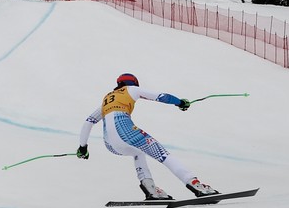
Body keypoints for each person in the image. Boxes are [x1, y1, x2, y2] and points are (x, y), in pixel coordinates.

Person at [75, 73, 218, 201]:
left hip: (110, 144)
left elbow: (89, 122)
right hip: (126, 133)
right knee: (163, 154)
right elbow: (162, 96)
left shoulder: (107, 99)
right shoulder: (131, 89)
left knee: (138, 152)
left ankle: (151, 189)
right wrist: (180, 102)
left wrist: (83, 147)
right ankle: (195, 184)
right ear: (134, 83)